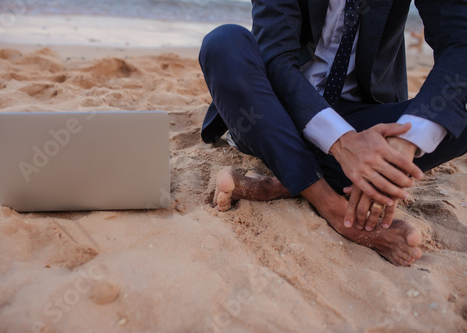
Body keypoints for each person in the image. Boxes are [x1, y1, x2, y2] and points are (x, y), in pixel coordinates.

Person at [198, 0, 467, 266]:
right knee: (223, 43)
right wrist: (343, 143)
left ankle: (285, 182)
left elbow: (460, 42)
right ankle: (332, 206)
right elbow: (275, 59)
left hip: (363, 118)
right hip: (271, 113)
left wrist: (402, 145)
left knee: (454, 106)